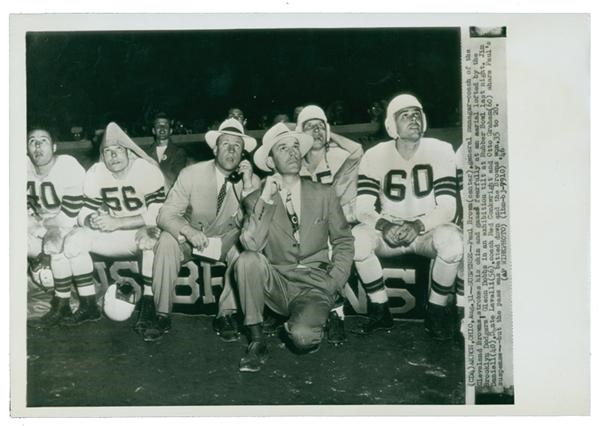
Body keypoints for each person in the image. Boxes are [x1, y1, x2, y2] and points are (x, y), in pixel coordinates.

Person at [234, 122, 354, 372]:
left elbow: (343, 240)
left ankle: (322, 312)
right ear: (270, 161)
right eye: (283, 148)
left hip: (315, 283)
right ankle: (257, 340)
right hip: (277, 282)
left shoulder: (324, 193)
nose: (292, 153)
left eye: (296, 146)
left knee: (304, 338)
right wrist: (266, 198)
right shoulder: (255, 200)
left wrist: (335, 282)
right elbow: (251, 243)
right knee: (247, 260)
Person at [353, 94, 463, 340]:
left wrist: (418, 224)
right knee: (356, 240)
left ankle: (435, 312)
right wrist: (384, 224)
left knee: (453, 243)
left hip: (427, 229)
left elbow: (448, 207)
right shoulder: (374, 155)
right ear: (392, 125)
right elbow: (362, 207)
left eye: (417, 114)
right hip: (388, 228)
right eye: (406, 115)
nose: (414, 119)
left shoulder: (441, 150)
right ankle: (380, 310)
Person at [142, 118, 260, 342]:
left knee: (245, 247)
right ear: (215, 148)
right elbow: (165, 214)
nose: (231, 150)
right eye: (226, 144)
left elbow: (255, 227)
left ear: (243, 153)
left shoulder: (251, 181)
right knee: (167, 239)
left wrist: (247, 188)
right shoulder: (191, 174)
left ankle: (225, 315)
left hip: (225, 241)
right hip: (191, 239)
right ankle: (161, 314)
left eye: (237, 146)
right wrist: (188, 231)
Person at [58, 122, 166, 326]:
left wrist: (118, 222)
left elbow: (157, 214)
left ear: (128, 152)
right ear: (102, 155)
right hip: (113, 233)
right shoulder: (97, 172)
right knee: (74, 241)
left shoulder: (145, 169)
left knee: (150, 240)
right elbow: (84, 211)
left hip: (140, 231)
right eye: (108, 151)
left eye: (118, 150)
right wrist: (92, 219)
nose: (113, 156)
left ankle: (149, 303)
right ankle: (88, 304)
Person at [295, 104, 364, 345]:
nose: (316, 131)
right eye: (309, 127)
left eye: (319, 126)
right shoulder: (295, 161)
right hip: (303, 226)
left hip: (336, 223)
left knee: (333, 251)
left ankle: (337, 314)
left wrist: (328, 134)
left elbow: (357, 150)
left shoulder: (336, 157)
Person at [27, 125, 86, 328]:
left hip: (69, 227)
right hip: (38, 228)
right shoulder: (21, 166)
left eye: (42, 140)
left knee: (57, 244)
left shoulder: (67, 165)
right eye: (32, 141)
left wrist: (42, 228)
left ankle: (64, 304)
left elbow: (70, 214)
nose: (37, 145)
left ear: (54, 146)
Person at [143, 112, 188, 192]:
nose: (162, 128)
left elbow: (175, 178)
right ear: (153, 130)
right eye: (158, 125)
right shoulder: (145, 154)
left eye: (165, 125)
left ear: (170, 131)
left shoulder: (179, 152)